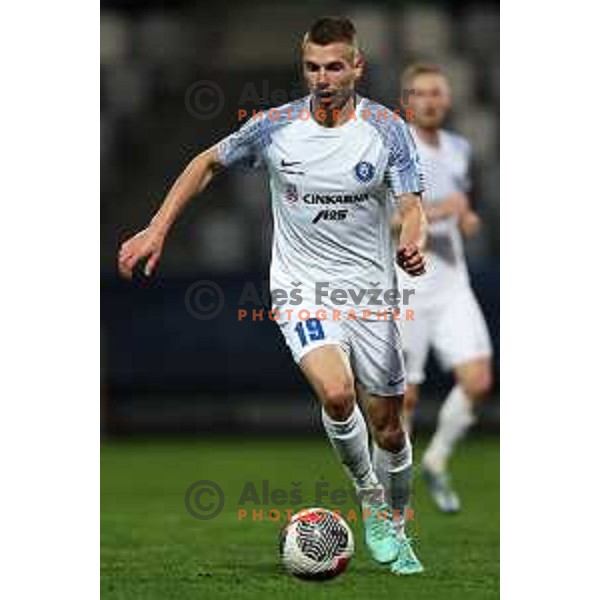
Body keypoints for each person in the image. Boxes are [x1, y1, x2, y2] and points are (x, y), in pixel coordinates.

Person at [118, 17, 427, 575]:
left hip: (369, 293)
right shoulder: (274, 127)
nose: (323, 78)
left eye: (335, 66)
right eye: (313, 67)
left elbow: (411, 207)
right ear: (303, 67)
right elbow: (205, 162)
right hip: (300, 289)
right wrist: (157, 228)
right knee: (337, 395)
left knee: (389, 426)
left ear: (357, 66)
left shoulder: (387, 129)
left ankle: (399, 521)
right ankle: (372, 501)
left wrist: (413, 237)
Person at [398, 64, 494, 513]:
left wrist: (467, 217)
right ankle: (392, 493)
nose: (430, 101)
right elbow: (387, 220)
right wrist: (438, 212)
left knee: (478, 380)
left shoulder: (459, 148)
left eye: (437, 93)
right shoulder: (395, 149)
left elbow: (463, 206)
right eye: (421, 94)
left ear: (448, 99)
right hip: (407, 284)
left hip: (453, 284)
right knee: (404, 397)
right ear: (407, 102)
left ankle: (435, 461)